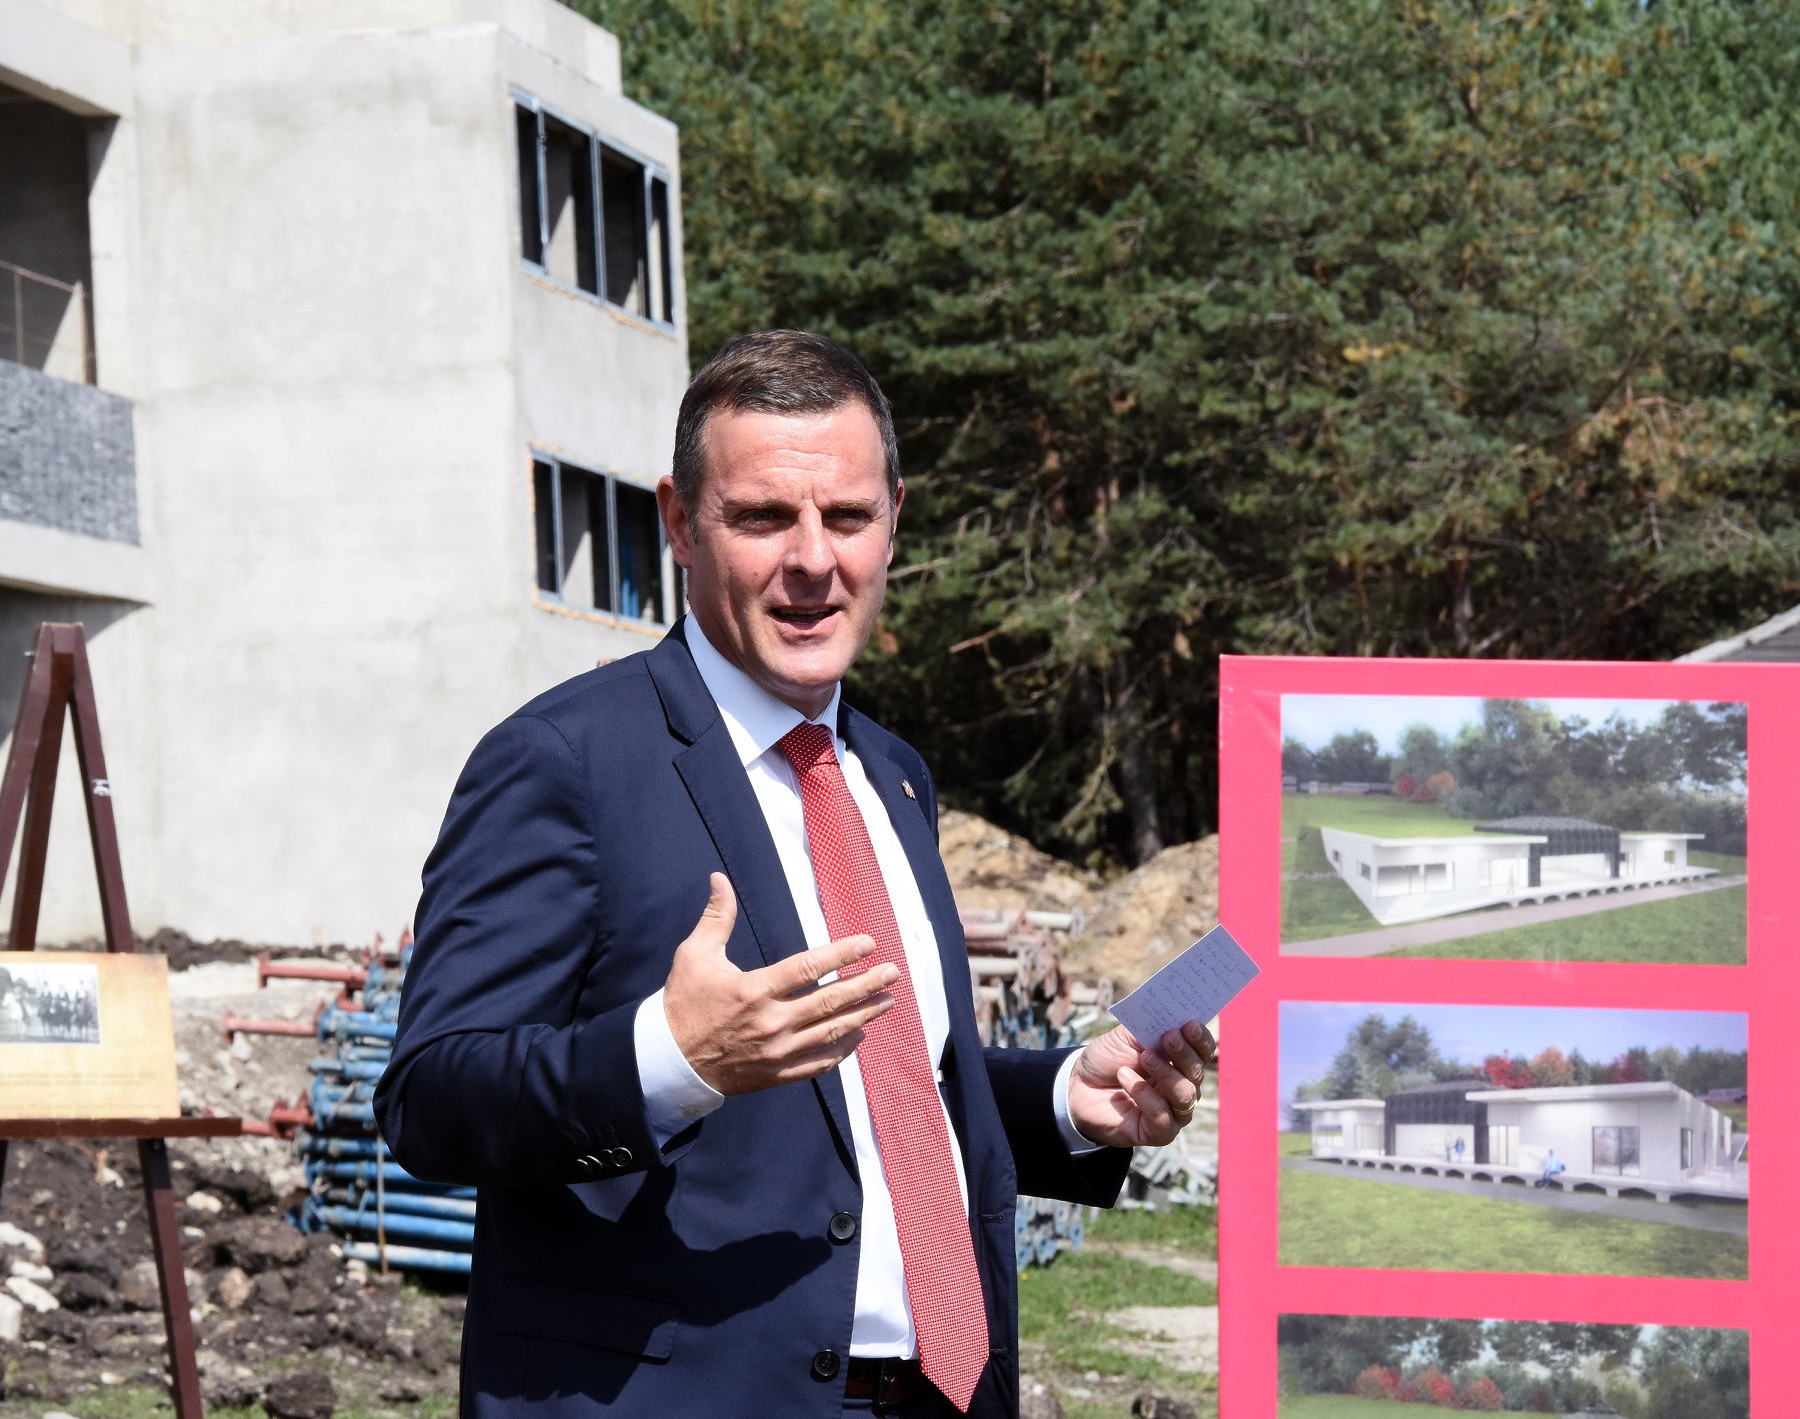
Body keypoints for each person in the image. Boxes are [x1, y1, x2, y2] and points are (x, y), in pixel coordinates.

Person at [374, 331, 1215, 1419]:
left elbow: (880, 1096)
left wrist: (1064, 1099)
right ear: (680, 522)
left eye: (847, 517)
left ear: (893, 520)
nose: (813, 560)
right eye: (764, 517)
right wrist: (670, 1058)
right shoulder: (564, 762)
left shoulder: (892, 776)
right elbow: (432, 1096)